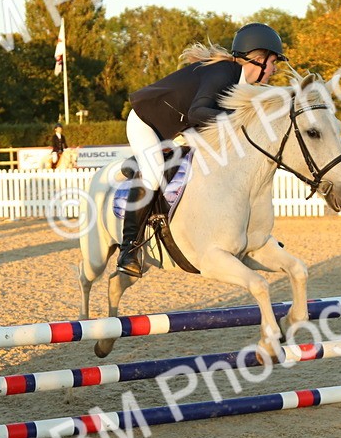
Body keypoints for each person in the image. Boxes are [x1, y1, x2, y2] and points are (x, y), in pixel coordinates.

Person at [116, 22, 287, 276]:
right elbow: (198, 112)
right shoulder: (223, 73)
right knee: (153, 175)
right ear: (258, 59)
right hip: (146, 122)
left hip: (181, 126)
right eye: (273, 62)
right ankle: (128, 249)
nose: (273, 69)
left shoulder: (237, 82)